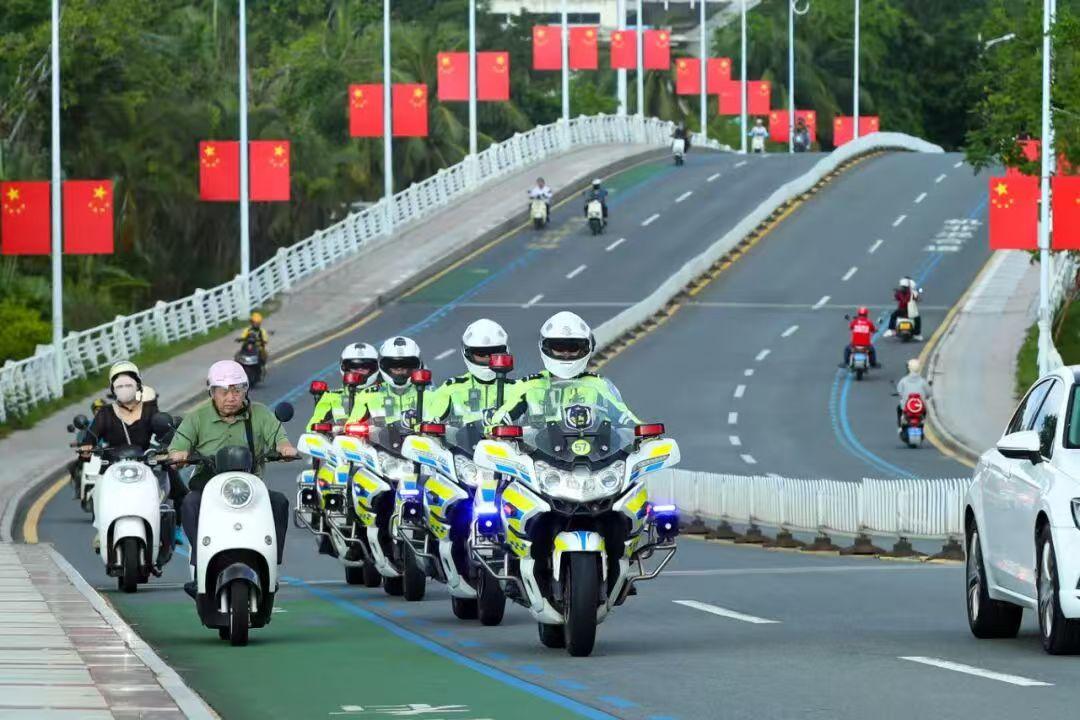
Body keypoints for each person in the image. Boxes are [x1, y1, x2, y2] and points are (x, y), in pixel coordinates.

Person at [167, 360, 296, 597]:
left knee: (279, 502)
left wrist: (285, 449)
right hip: (208, 488)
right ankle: (200, 563)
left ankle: (271, 564)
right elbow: (178, 447)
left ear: (245, 391)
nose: (231, 397)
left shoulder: (260, 413)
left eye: (237, 390)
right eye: (223, 391)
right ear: (212, 392)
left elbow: (280, 439)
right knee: (189, 503)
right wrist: (179, 455)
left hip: (250, 489)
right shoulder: (197, 417)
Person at [79, 362, 185, 549]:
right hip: (112, 465)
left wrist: (168, 447)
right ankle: (101, 529)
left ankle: (175, 526)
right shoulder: (105, 413)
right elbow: (90, 437)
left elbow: (163, 432)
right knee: (98, 491)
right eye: (119, 385)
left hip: (146, 461)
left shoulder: (149, 410)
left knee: (178, 487)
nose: (124, 388)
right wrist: (86, 448)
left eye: (128, 384)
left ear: (137, 385)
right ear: (112, 388)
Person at [491, 311, 639, 427]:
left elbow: (625, 416)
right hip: (534, 455)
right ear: (545, 347)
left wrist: (645, 433)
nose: (566, 353)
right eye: (559, 347)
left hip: (594, 454)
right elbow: (501, 417)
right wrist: (497, 429)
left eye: (573, 347)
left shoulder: (599, 385)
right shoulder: (529, 386)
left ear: (587, 348)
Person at [426, 319, 515, 426]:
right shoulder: (451, 388)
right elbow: (429, 420)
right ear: (467, 353)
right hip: (463, 437)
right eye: (481, 353)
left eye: (493, 353)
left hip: (508, 437)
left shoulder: (519, 388)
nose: (487, 358)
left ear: (505, 352)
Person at [347, 336, 425, 429]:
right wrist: (363, 429)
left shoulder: (428, 393)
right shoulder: (367, 395)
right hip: (378, 438)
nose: (399, 368)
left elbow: (438, 421)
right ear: (384, 366)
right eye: (394, 364)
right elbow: (351, 425)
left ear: (416, 366)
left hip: (418, 438)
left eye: (405, 364)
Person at [306, 342, 380, 431]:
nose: (359, 371)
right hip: (339, 439)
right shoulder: (331, 396)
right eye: (354, 367)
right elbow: (312, 426)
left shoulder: (385, 393)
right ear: (345, 368)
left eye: (365, 367)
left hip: (380, 439)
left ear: (374, 368)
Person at [896, 358, 932, 426]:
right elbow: (929, 393)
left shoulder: (903, 381)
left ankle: (900, 425)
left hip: (906, 408)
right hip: (920, 408)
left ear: (909, 368)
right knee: (925, 410)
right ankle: (923, 421)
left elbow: (899, 391)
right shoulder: (923, 381)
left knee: (899, 408)